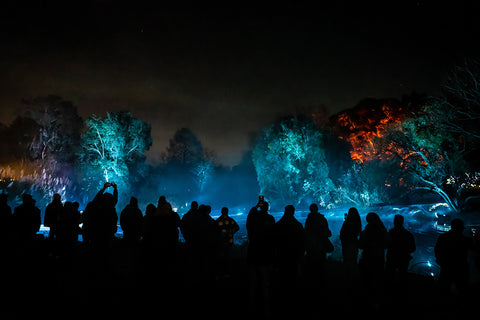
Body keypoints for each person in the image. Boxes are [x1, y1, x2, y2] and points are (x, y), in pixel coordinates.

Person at [246, 198, 275, 317]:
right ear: (267, 208)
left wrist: (255, 206)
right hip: (266, 251)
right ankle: (265, 300)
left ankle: (252, 303)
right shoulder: (270, 219)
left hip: (255, 250)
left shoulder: (255, 217)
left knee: (254, 277)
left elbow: (249, 221)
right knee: (265, 277)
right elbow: (274, 233)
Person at [435, 218, 474, 298]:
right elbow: (475, 249)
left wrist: (440, 261)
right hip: (461, 267)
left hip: (447, 266)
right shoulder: (466, 240)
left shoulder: (443, 237)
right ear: (461, 228)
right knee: (462, 289)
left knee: (443, 289)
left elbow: (437, 250)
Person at [275, 205, 305, 299]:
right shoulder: (297, 224)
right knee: (293, 274)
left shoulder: (280, 224)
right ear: (293, 212)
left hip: (282, 252)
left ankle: (283, 293)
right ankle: (293, 293)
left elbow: (274, 237)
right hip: (294, 253)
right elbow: (302, 239)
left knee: (283, 274)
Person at [358, 212, 388, 303]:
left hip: (368, 258)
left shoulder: (366, 230)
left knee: (367, 279)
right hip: (379, 257)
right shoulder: (382, 229)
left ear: (368, 220)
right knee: (378, 278)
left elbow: (360, 245)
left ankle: (367, 298)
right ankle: (378, 299)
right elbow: (387, 244)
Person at [385, 214, 415, 294]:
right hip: (403, 258)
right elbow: (413, 248)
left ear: (394, 222)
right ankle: (401, 292)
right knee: (402, 275)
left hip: (391, 257)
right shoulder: (408, 234)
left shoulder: (390, 232)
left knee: (390, 275)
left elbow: (386, 245)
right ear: (402, 222)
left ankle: (388, 292)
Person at [305, 203, 332, 285]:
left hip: (312, 246)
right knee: (321, 263)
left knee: (312, 264)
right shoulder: (321, 218)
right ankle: (322, 281)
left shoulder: (309, 219)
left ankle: (313, 281)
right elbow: (327, 231)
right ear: (317, 209)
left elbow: (306, 232)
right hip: (321, 244)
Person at [340, 207, 362, 283]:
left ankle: (347, 278)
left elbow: (342, 232)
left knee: (347, 260)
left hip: (347, 243)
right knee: (353, 260)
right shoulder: (358, 221)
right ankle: (354, 278)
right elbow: (359, 232)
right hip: (354, 242)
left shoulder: (347, 222)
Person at [216, 207, 239, 277]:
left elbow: (214, 230)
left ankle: (221, 272)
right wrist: (231, 232)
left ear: (221, 212)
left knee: (221, 257)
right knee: (228, 257)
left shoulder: (218, 220)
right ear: (227, 212)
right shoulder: (230, 220)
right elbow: (237, 227)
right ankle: (228, 272)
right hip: (229, 241)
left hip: (221, 242)